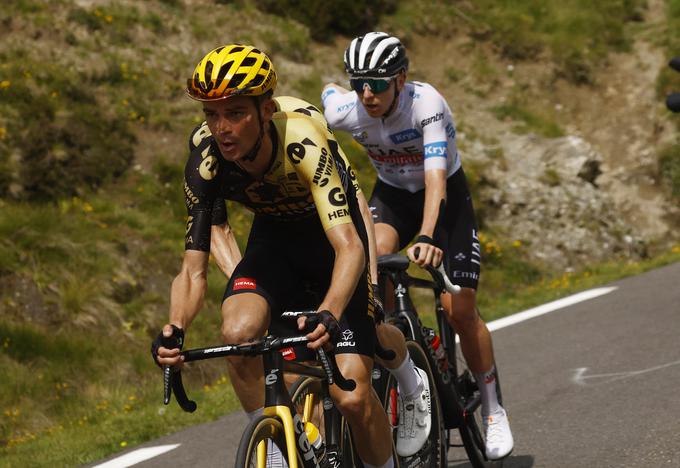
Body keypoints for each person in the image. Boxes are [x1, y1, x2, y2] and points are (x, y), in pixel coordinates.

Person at [151, 43, 402, 467]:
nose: (221, 128)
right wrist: (175, 328)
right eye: (211, 114)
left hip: (334, 241)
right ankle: (277, 449)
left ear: (266, 111)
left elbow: (350, 245)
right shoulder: (206, 160)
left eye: (235, 113)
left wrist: (330, 311)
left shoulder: (301, 141)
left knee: (353, 396)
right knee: (237, 333)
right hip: (275, 241)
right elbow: (192, 271)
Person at [321, 32, 515, 460]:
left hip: (443, 198)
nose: (367, 94)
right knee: (370, 273)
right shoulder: (345, 111)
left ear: (402, 78)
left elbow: (434, 178)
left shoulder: (426, 104)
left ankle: (493, 408)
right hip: (391, 196)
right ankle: (395, 361)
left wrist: (427, 236)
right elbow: (322, 99)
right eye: (359, 84)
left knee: (458, 308)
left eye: (378, 83)